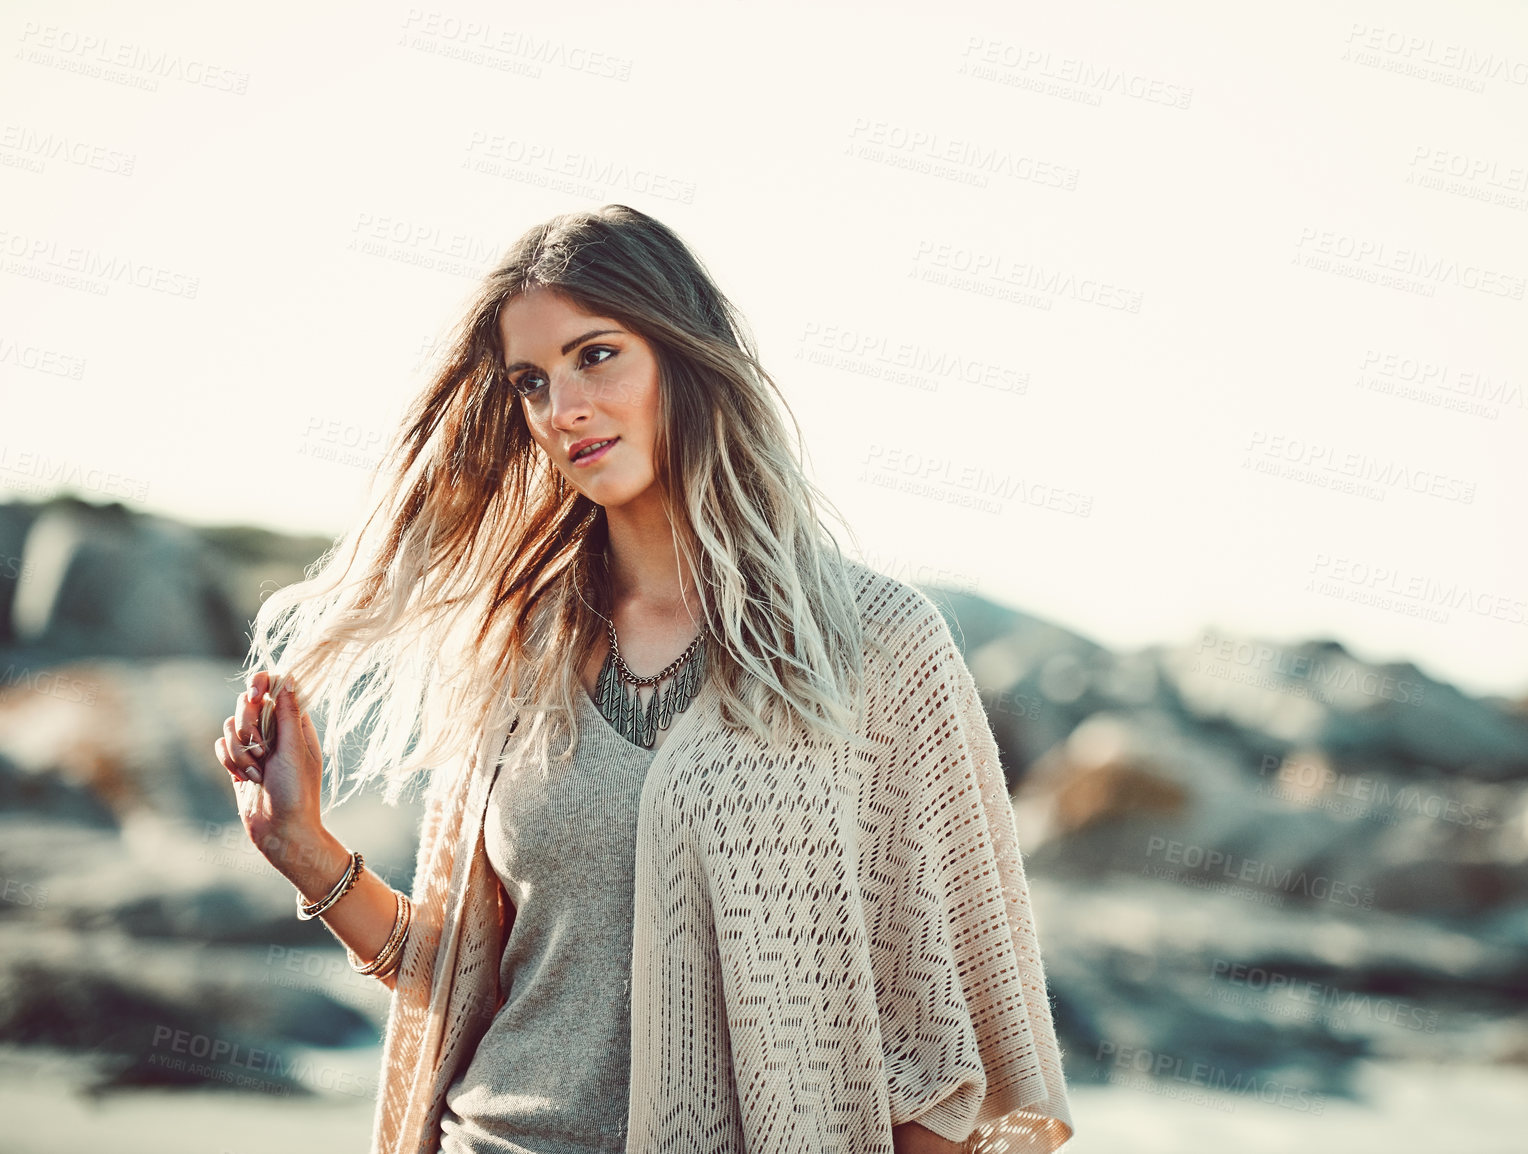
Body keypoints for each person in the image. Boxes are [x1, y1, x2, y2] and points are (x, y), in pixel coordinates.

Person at [212, 204, 1074, 1154]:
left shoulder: (874, 645)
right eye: (532, 382)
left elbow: (942, 1051)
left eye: (597, 355)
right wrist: (300, 844)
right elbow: (465, 982)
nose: (563, 407)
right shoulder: (519, 646)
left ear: (681, 354)